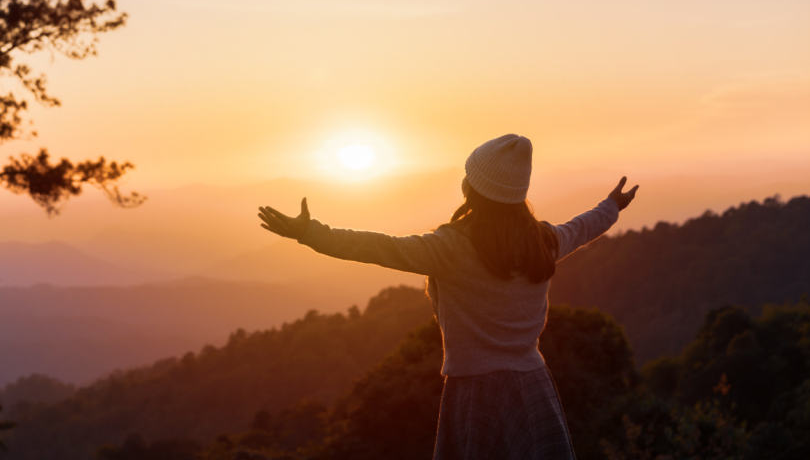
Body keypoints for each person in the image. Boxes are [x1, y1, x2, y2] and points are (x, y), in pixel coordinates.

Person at [257, 134, 638, 460]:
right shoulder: (543, 240)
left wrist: (310, 232)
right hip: (533, 385)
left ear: (473, 188)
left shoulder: (452, 247)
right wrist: (612, 206)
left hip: (476, 392)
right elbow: (583, 227)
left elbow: (377, 247)